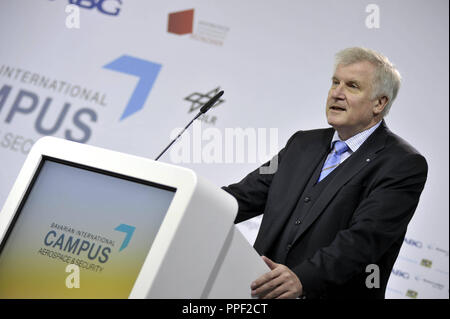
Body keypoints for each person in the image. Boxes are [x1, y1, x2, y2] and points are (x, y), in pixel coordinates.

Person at [222, 47, 428, 299]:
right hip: (261, 293)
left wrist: (303, 278)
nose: (336, 93)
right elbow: (243, 196)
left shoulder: (403, 164)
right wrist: (189, 203)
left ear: (379, 102)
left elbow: (365, 239)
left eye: (352, 86)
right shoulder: (301, 144)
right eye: (335, 82)